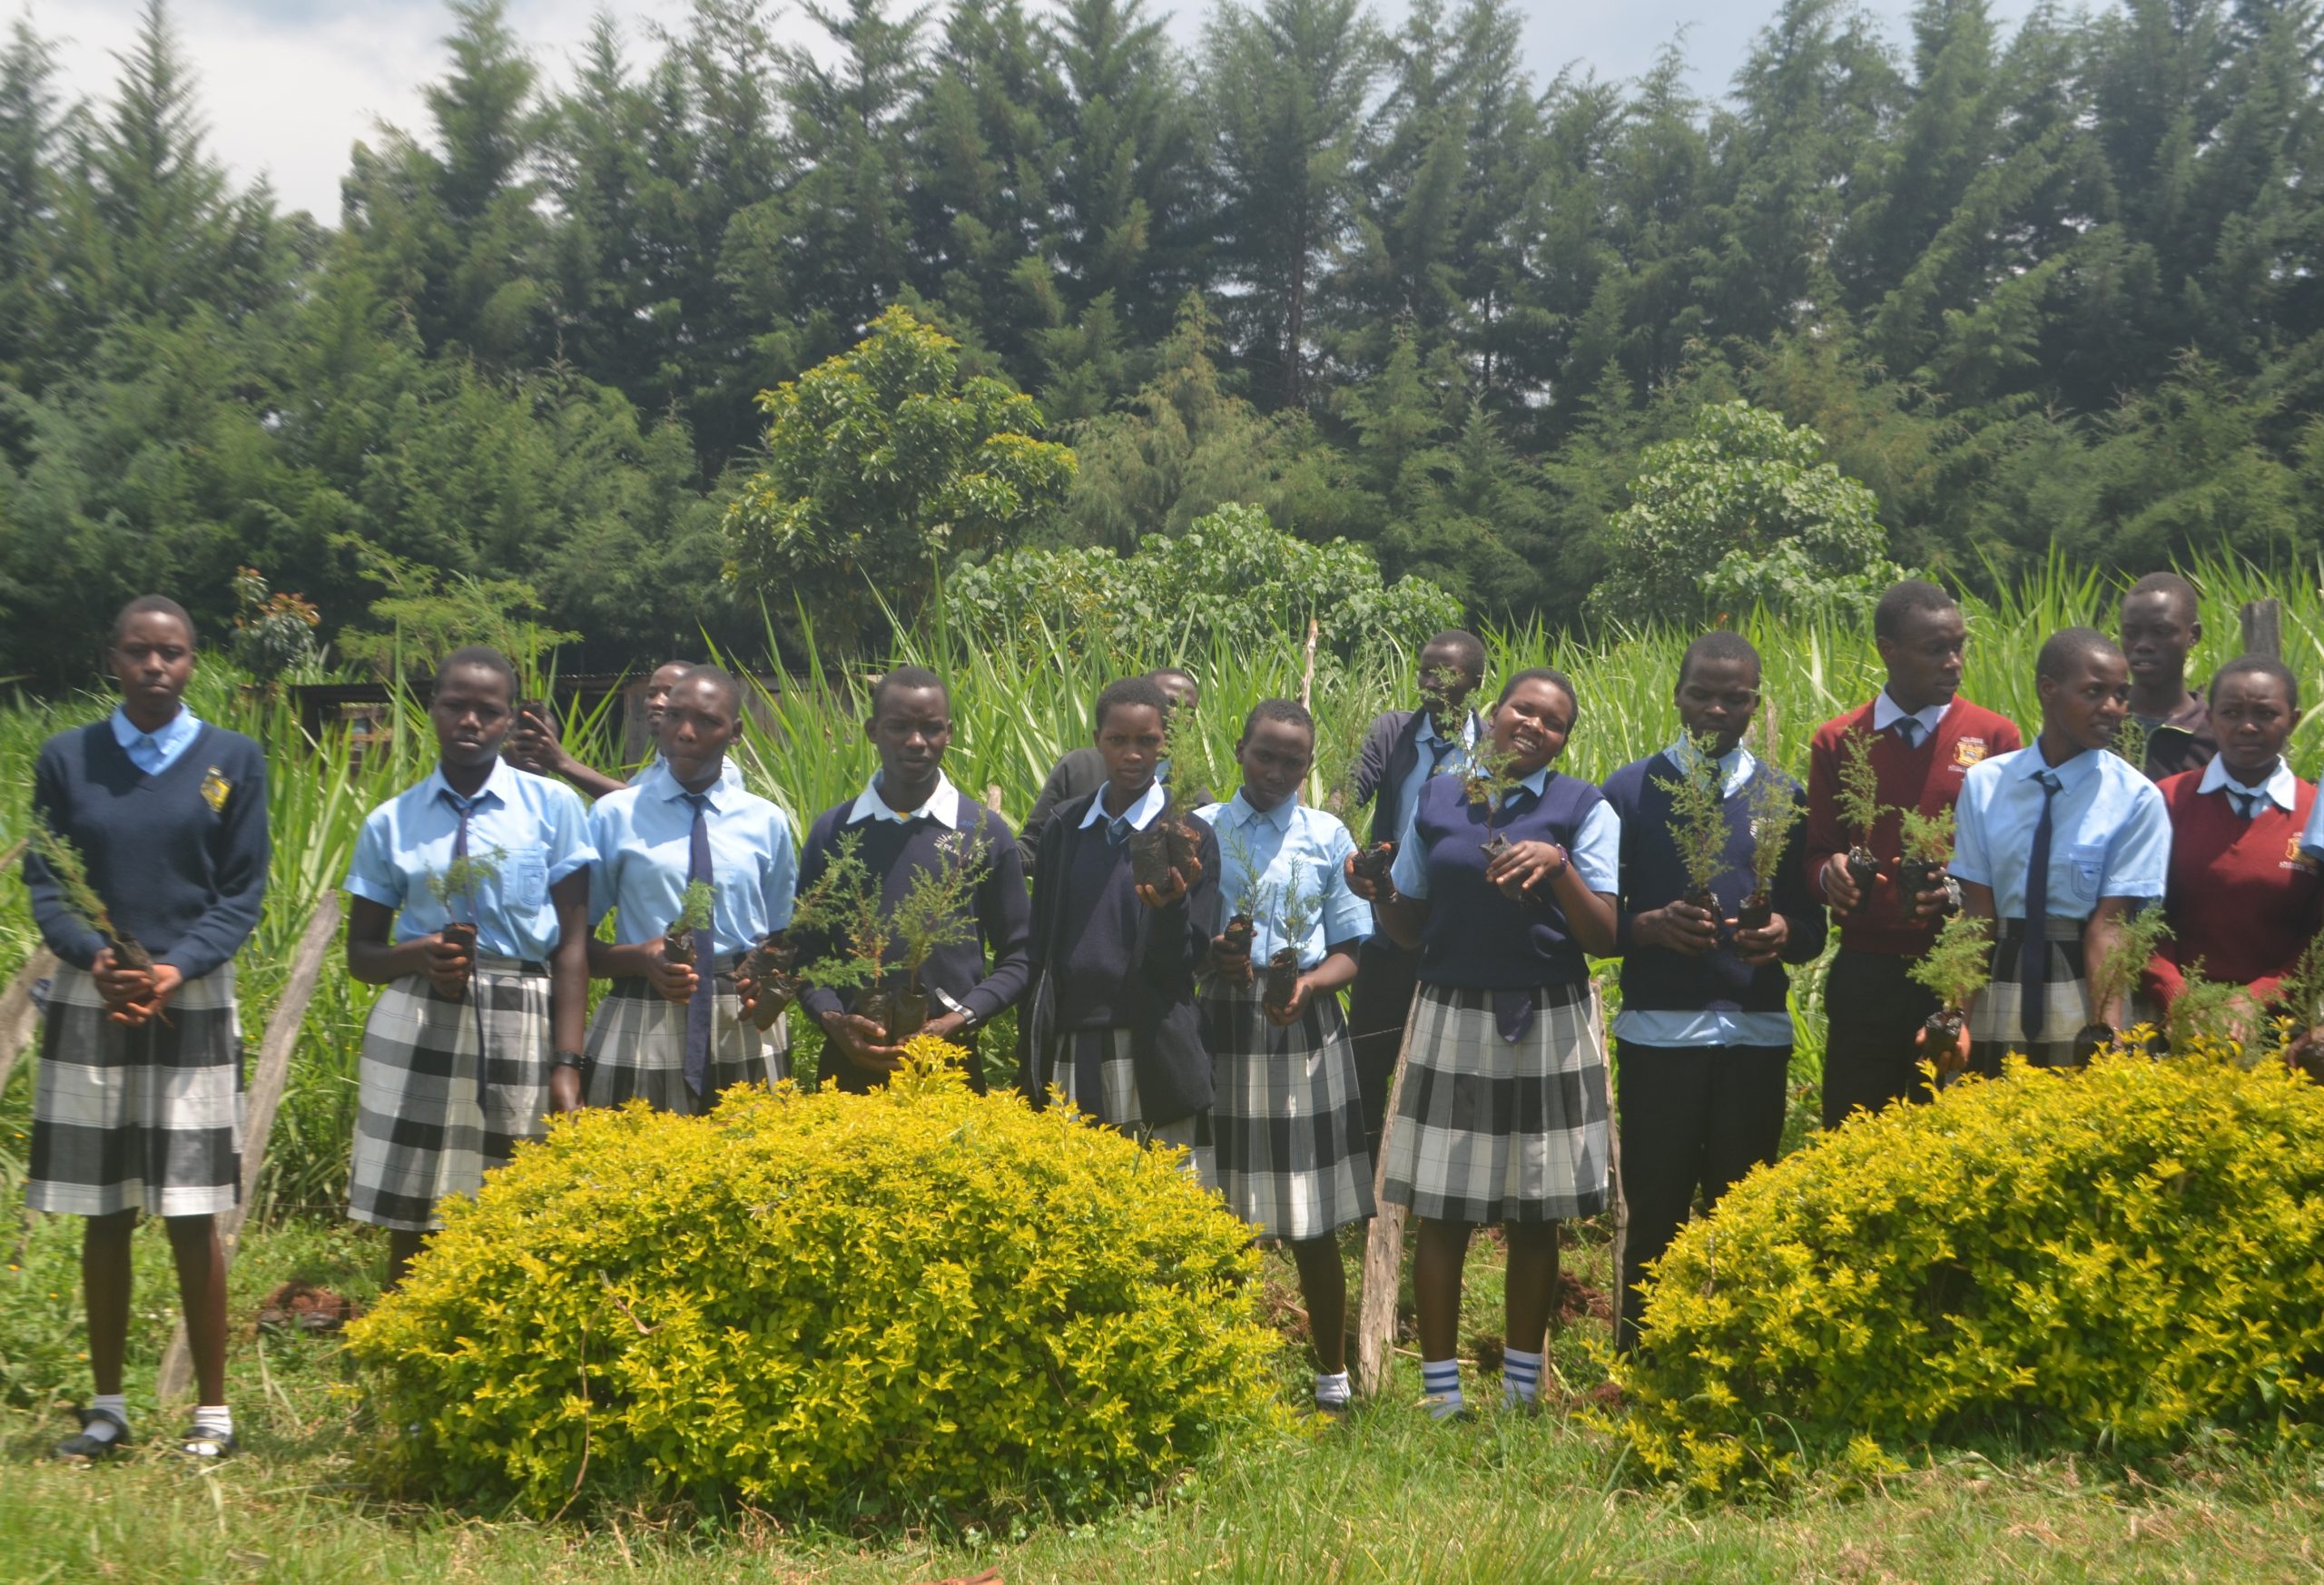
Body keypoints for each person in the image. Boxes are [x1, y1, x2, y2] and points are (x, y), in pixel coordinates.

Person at [26, 596, 268, 1464]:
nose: (155, 667)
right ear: (113, 659)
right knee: (103, 1208)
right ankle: (108, 1408)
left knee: (193, 1210)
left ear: (193, 662)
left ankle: (212, 1412)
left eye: (171, 653)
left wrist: (178, 965)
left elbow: (241, 891)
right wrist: (95, 956)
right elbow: (47, 880)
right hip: (99, 996)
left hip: (190, 997)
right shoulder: (69, 759)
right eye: (139, 652)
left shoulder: (232, 759)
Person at [1354, 668, 1619, 1419]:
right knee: (1444, 1209)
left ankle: (1521, 1394)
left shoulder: (1582, 807)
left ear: (1564, 739)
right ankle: (1442, 1398)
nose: (1534, 726)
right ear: (1495, 716)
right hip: (1450, 1010)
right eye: (1523, 710)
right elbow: (1409, 929)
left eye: (1554, 722)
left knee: (1538, 1213)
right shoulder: (1441, 798)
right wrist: (1379, 891)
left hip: (1549, 1015)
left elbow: (1606, 936)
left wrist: (1557, 867)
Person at [1599, 632, 1825, 1354]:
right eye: (1702, 693)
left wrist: (1783, 931)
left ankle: (1734, 1356)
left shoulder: (1781, 796)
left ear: (1756, 705)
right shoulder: (1631, 791)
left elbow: (1814, 930)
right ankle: (1639, 1356)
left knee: (1743, 1206)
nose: (1717, 709)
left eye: (1736, 698)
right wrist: (1651, 925)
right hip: (1658, 1036)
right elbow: (1603, 921)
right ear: (1677, 694)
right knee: (1656, 1205)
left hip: (1755, 1035)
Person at [342, 645, 596, 1288]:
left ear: (511, 719)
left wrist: (568, 1063)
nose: (471, 722)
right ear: (432, 709)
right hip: (420, 1011)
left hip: (524, 1012)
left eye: (489, 710)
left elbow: (571, 946)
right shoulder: (389, 822)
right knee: (415, 1202)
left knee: (517, 1200)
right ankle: (407, 1346)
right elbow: (362, 955)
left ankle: (501, 1355)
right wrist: (417, 954)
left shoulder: (553, 808)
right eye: (456, 705)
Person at [1197, 699, 1374, 1419]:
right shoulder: (1204, 831)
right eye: (1263, 754)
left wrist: (1306, 984)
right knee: (1218, 1210)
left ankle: (1332, 1375)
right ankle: (1224, 1368)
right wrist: (1215, 960)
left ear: (1309, 765)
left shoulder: (1326, 834)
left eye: (1292, 761)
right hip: (1217, 1025)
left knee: (1310, 1213)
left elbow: (1352, 949)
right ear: (1239, 748)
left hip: (1301, 1028)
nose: (1276, 771)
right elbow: (1177, 932)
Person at [1805, 579, 2023, 1127]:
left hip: (1955, 972)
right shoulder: (1839, 740)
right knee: (1855, 1132)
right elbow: (1817, 853)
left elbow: (2008, 861)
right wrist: (1827, 875)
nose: (1953, 663)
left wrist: (1954, 888)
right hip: (1866, 972)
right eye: (1935, 650)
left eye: (1959, 647)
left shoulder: (1994, 737)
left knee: (1950, 1131)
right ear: (1888, 650)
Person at [1939, 629, 2171, 1076]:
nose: (2112, 708)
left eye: (2121, 695)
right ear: (2049, 689)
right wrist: (1955, 1018)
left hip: (2083, 980)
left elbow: (2112, 926)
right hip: (2001, 976)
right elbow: (1978, 915)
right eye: (2093, 692)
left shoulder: (2137, 798)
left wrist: (2106, 1034)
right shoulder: (1986, 783)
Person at [793, 665, 1031, 1093]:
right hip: (849, 1063)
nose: (916, 742)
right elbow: (804, 954)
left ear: (950, 732)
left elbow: (1020, 953)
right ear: (872, 730)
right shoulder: (834, 833)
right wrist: (834, 1020)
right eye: (899, 727)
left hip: (952, 1067)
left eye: (931, 728)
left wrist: (960, 1019)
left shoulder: (982, 832)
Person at [579, 666, 797, 1111]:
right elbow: (572, 945)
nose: (685, 733)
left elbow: (783, 936)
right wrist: (641, 958)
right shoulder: (614, 816)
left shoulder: (765, 821)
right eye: (674, 716)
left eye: (707, 722)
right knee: (634, 1164)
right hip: (645, 1012)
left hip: (742, 1019)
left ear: (735, 732)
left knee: (750, 1163)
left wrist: (771, 976)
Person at [1021, 675, 1218, 1159]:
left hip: (1152, 1041)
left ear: (1164, 743)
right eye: (1118, 740)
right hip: (1072, 1038)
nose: (1133, 754)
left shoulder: (1189, 833)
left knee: (1162, 1205)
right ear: (1097, 743)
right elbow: (1043, 937)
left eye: (1147, 741)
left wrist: (1171, 907)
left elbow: (1188, 959)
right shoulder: (1065, 827)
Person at [1343, 629, 1486, 1160]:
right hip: (1389, 914)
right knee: (1370, 1052)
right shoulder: (1394, 732)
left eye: (1446, 674)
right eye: (1426, 670)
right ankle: (1365, 1174)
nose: (1433, 682)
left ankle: (1439, 1171)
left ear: (1476, 681)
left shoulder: (1492, 745)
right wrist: (1336, 812)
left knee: (1454, 1059)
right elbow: (1355, 786)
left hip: (1456, 924)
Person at [2144, 658, 2319, 1038]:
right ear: (2209, 716)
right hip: (2174, 1022)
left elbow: (2317, 934)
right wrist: (2179, 997)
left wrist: (2255, 1000)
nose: (2247, 727)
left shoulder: (2315, 812)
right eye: (2231, 712)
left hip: (2281, 1028)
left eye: (2266, 713)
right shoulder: (2166, 800)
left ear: (2293, 719)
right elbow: (2137, 919)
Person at [1018, 667, 1199, 870]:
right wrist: (987, 853)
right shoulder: (1079, 768)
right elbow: (1034, 847)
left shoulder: (1193, 798)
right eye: (1168, 703)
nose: (1176, 715)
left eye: (1188, 710)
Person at [507, 660, 744, 799]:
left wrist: (565, 764)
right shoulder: (645, 777)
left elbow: (641, 806)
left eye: (669, 693)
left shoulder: (721, 771)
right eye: (651, 694)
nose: (657, 702)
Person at [2119, 572, 2217, 781]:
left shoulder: (2216, 734)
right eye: (2131, 632)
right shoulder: (2099, 723)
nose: (2143, 645)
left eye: (2161, 631)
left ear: (2193, 635)